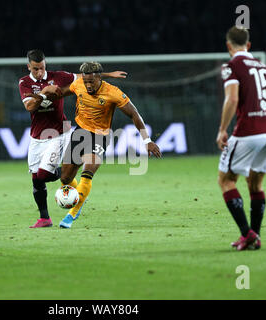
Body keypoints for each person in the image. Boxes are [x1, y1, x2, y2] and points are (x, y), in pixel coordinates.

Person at [45, 61, 161, 229]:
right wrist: (43, 97)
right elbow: (60, 93)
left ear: (99, 78)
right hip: (80, 132)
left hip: (100, 136)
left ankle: (72, 213)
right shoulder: (78, 84)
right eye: (86, 81)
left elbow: (134, 114)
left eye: (92, 81)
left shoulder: (112, 92)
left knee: (87, 172)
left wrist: (147, 140)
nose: (88, 85)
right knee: (65, 178)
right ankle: (79, 197)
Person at [19, 50, 127, 228]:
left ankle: (76, 192)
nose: (40, 72)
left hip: (59, 133)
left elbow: (84, 77)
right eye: (36, 69)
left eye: (42, 68)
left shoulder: (59, 77)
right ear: (29, 66)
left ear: (46, 64)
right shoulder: (25, 82)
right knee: (36, 180)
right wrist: (44, 93)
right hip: (37, 136)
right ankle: (45, 218)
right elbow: (30, 106)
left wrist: (109, 75)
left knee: (45, 175)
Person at [216, 26, 266, 251]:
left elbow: (232, 99)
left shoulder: (231, 66)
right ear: (249, 45)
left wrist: (222, 129)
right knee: (255, 184)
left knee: (226, 181)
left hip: (249, 131)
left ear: (228, 46)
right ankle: (256, 236)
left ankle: (247, 233)